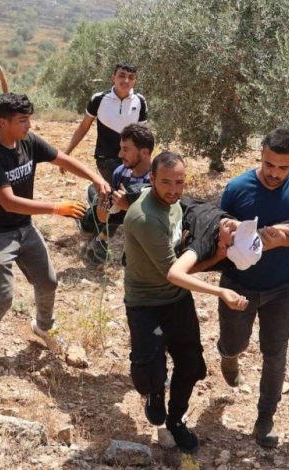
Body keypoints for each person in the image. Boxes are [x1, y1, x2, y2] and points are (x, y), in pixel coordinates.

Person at [0, 93, 110, 374]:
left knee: (48, 281)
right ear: (3, 122)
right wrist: (57, 208)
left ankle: (44, 327)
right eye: (22, 120)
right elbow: (8, 202)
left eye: (29, 119)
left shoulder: (28, 142)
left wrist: (95, 178)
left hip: (23, 226)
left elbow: (61, 159)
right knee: (3, 296)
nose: (29, 125)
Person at [217, 128, 289, 448]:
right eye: (269, 164)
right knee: (234, 343)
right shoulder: (237, 188)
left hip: (283, 287)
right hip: (238, 284)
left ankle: (265, 417)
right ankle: (228, 355)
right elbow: (218, 236)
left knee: (275, 352)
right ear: (261, 154)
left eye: (284, 168)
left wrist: (288, 240)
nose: (275, 174)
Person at [122, 151, 205, 453]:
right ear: (152, 179)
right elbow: (174, 272)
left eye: (179, 182)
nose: (174, 190)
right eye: (166, 182)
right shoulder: (144, 218)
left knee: (191, 363)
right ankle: (154, 393)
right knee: (149, 372)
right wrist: (221, 289)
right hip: (146, 302)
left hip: (177, 298)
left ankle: (177, 420)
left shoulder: (174, 204)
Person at [167, 199, 289, 306]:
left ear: (225, 248)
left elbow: (175, 273)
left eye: (236, 233)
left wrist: (220, 291)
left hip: (170, 209)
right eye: (244, 230)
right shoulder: (251, 240)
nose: (235, 225)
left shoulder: (204, 244)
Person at [65, 63, 148, 262]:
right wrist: (66, 154)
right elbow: (83, 127)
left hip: (129, 160)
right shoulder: (99, 99)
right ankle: (99, 240)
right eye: (122, 75)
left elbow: (143, 135)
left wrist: (147, 163)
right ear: (113, 77)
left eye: (130, 77)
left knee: (121, 198)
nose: (126, 80)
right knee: (121, 197)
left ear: (135, 81)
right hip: (106, 159)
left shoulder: (140, 102)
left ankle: (91, 211)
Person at [78, 123, 153, 263]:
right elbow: (112, 213)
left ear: (144, 152)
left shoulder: (158, 180)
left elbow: (154, 219)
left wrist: (128, 206)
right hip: (122, 219)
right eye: (120, 148)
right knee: (94, 205)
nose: (119, 155)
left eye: (125, 149)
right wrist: (103, 214)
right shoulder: (120, 172)